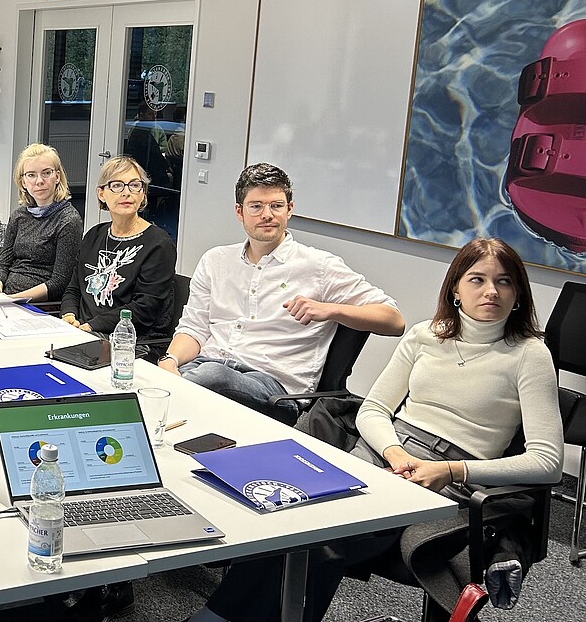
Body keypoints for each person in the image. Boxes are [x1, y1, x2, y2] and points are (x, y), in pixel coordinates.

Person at [188, 238, 563, 622]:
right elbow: (374, 410)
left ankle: (217, 617)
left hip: (449, 474)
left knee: (324, 541)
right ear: (455, 288)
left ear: (518, 293)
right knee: (286, 516)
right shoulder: (426, 335)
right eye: (477, 279)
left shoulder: (529, 354)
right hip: (384, 450)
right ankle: (219, 615)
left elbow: (547, 463)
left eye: (503, 282)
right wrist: (395, 453)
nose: (490, 291)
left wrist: (451, 471)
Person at [158, 163, 405, 423]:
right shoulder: (215, 260)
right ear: (239, 212)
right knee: (157, 379)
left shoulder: (318, 266)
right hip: (204, 367)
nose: (267, 214)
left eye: (276, 205)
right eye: (256, 206)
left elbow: (395, 321)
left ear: (290, 209)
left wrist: (331, 310)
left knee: (207, 379)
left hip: (273, 388)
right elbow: (194, 328)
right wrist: (170, 360)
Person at [60, 155, 174, 345]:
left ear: (143, 194)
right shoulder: (93, 235)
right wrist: (69, 315)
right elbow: (74, 288)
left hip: (128, 341)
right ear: (101, 193)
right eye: (117, 185)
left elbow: (144, 309)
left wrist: (90, 327)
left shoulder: (158, 243)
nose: (126, 193)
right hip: (83, 331)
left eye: (134, 185)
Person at [0, 144, 83, 303]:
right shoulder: (19, 216)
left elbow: (60, 282)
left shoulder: (68, 220)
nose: (39, 181)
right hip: (5, 297)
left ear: (57, 177)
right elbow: (2, 263)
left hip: (38, 305)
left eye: (46, 173)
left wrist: (11, 300)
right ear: (23, 182)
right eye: (31, 175)